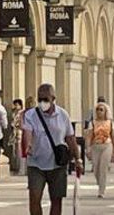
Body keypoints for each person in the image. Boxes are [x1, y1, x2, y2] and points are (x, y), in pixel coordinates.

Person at [22, 84, 82, 215]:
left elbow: (70, 138)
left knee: (56, 200)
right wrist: (28, 145)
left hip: (57, 164)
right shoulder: (31, 115)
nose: (42, 102)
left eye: (46, 99)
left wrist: (78, 159)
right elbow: (27, 132)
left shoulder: (63, 115)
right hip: (36, 164)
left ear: (53, 98)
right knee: (34, 198)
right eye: (40, 99)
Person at [85, 102, 114, 198]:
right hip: (95, 146)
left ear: (105, 111)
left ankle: (101, 190)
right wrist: (88, 148)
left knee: (103, 168)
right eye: (97, 110)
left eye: (101, 110)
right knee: (96, 169)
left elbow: (113, 136)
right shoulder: (92, 123)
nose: (99, 112)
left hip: (107, 145)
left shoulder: (110, 123)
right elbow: (89, 136)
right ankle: (100, 182)